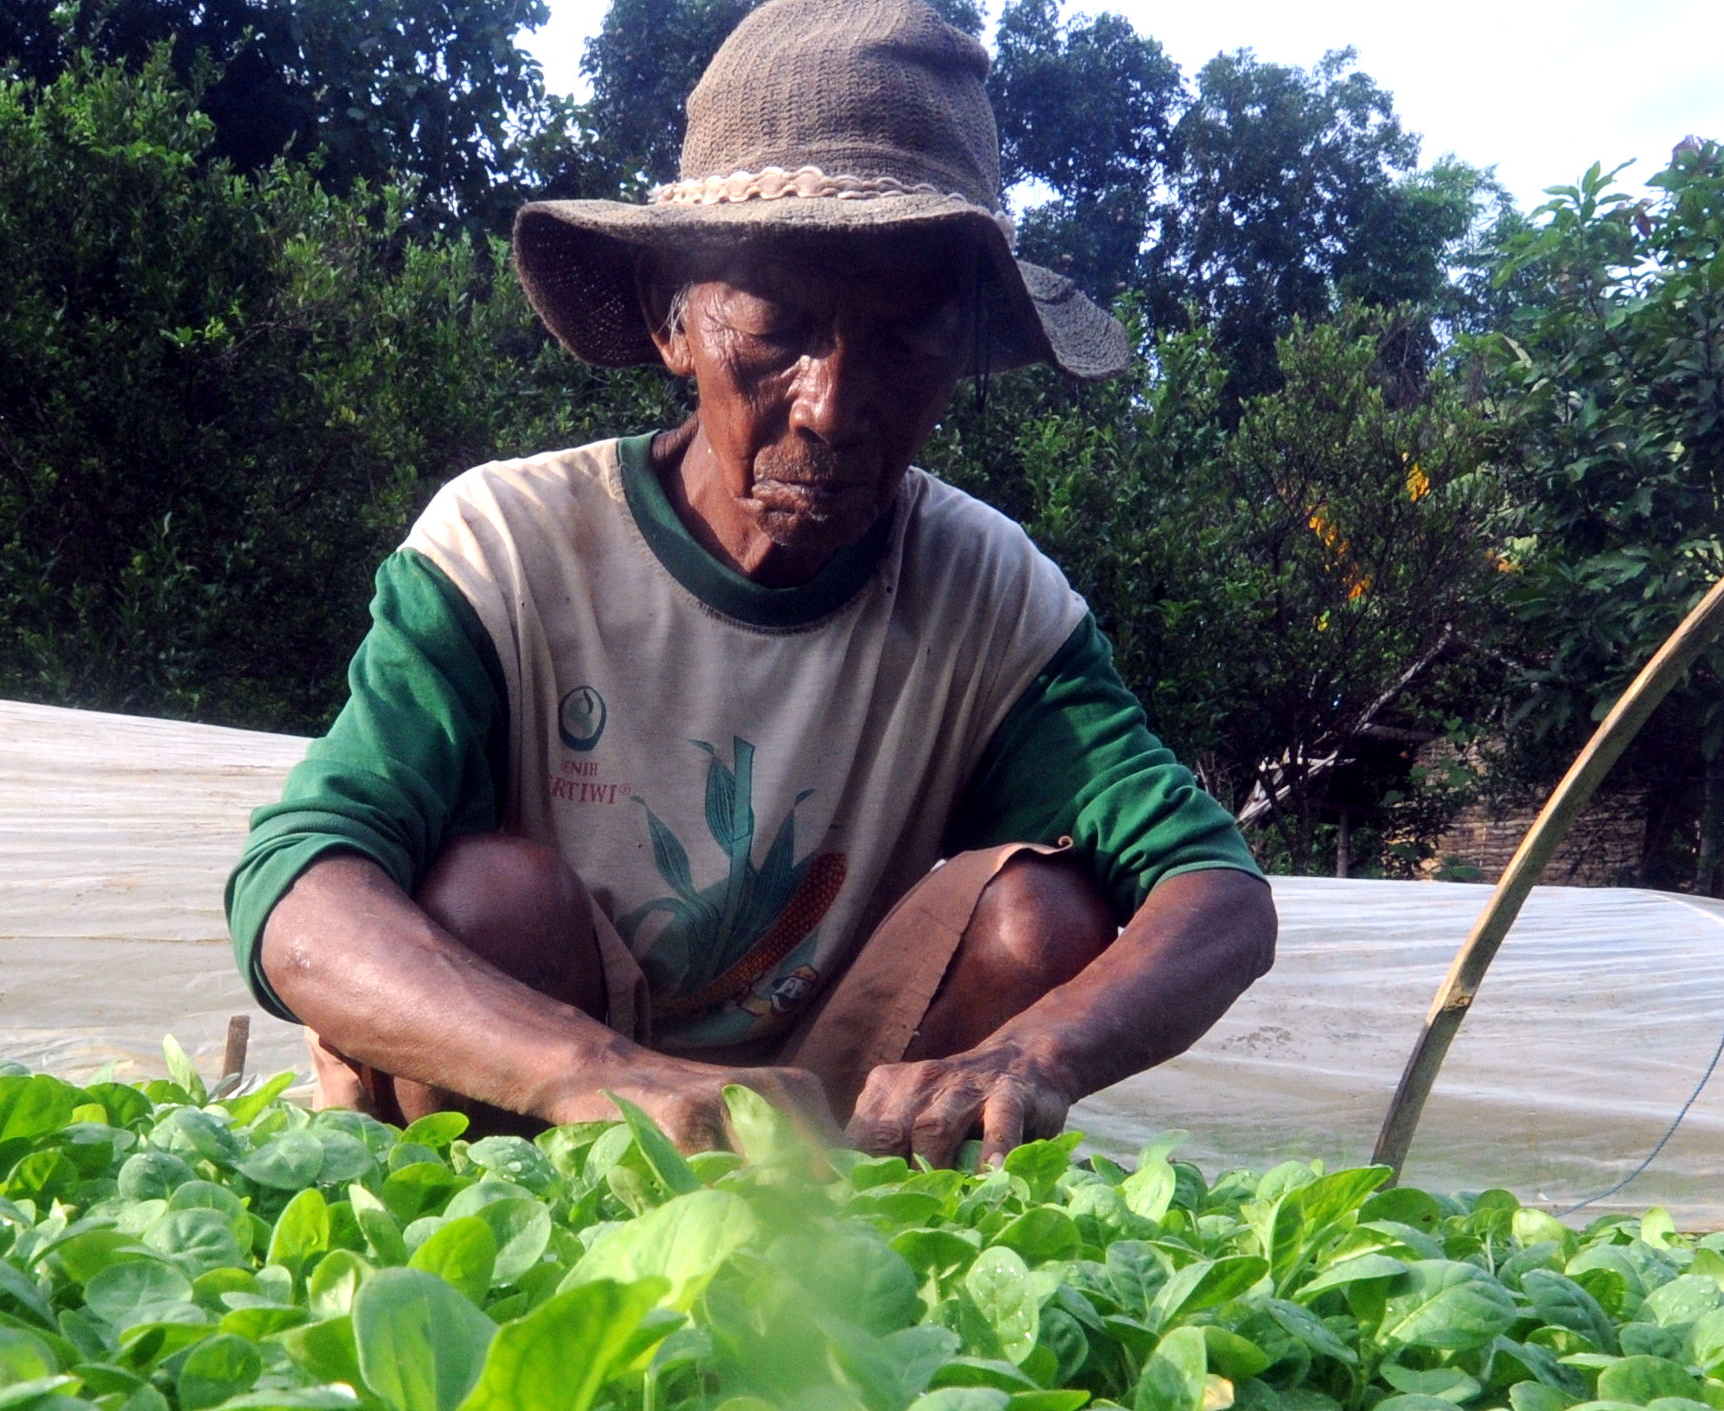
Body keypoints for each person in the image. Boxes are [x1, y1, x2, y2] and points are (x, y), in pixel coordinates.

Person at [221, 0, 1279, 1165]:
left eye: (902, 341)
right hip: (541, 1092)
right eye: (777, 333)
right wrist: (599, 1073)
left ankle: (877, 1249)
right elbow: (298, 886)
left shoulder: (993, 600)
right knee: (484, 898)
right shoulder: (509, 545)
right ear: (671, 322)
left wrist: (1038, 1054)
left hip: (828, 1117)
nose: (832, 408)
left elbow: (1215, 892)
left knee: (1047, 918)